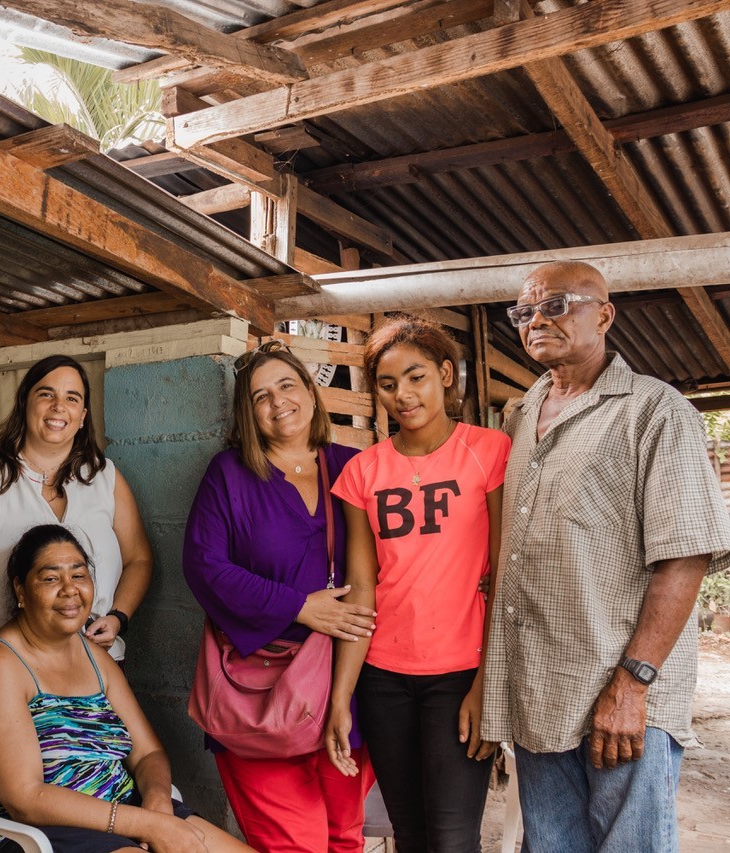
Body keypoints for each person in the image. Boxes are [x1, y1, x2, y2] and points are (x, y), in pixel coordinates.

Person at [482, 261, 730, 852]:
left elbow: (685, 558)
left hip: (618, 694)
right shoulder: (522, 414)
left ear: (605, 315)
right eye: (524, 311)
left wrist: (634, 682)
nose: (536, 319)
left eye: (556, 304)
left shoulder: (656, 411)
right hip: (541, 692)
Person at [0, 524, 255, 853]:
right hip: (30, 834)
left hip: (124, 811)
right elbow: (26, 799)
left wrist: (158, 807)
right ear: (21, 591)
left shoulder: (96, 658)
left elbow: (148, 753)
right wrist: (146, 825)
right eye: (51, 578)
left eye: (79, 575)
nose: (70, 590)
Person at [182, 339, 376, 852]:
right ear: (248, 414)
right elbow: (203, 566)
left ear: (312, 394)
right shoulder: (229, 474)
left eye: (287, 385)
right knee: (294, 846)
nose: (277, 402)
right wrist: (299, 607)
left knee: (344, 838)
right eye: (260, 396)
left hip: (347, 686)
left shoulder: (354, 466)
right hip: (263, 693)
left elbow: (397, 561)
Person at [326, 317, 510, 853]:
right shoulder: (362, 472)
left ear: (446, 375)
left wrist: (487, 686)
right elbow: (362, 589)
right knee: (408, 836)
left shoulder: (489, 451)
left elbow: (502, 577)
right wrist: (341, 696)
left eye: (416, 377)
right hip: (383, 679)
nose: (402, 395)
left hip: (460, 676)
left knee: (452, 841)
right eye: (387, 385)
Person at [0, 354, 151, 665]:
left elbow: (138, 559)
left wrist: (117, 618)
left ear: (83, 415)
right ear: (24, 403)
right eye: (46, 394)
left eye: (71, 398)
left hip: (91, 667)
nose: (59, 406)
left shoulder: (105, 477)